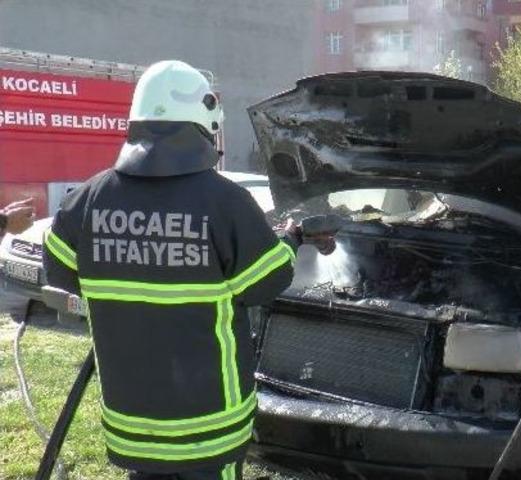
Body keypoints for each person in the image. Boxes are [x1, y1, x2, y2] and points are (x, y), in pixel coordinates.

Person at [43, 60, 324, 480]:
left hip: (134, 425)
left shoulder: (88, 199)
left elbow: (61, 272)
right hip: (210, 426)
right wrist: (293, 238)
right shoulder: (225, 203)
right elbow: (268, 281)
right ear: (202, 124)